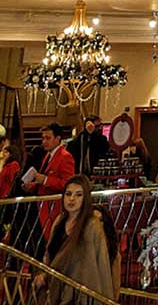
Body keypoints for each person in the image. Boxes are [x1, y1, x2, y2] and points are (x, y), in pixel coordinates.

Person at [34, 175, 115, 304]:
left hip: (80, 294)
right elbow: (51, 256)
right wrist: (45, 275)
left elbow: (99, 263)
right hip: (56, 289)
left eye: (78, 195)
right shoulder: (59, 221)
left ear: (85, 198)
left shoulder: (92, 225)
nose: (72, 199)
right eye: (68, 194)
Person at [23, 123, 76, 244]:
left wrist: (45, 180)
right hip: (43, 207)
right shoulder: (48, 155)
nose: (44, 142)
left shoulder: (65, 157)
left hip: (55, 209)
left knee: (53, 241)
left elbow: (68, 184)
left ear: (57, 139)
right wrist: (32, 186)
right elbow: (44, 180)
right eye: (43, 138)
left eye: (48, 138)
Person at [93, 204, 122, 299]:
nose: (97, 224)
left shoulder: (112, 249)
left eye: (100, 220)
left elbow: (115, 285)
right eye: (94, 220)